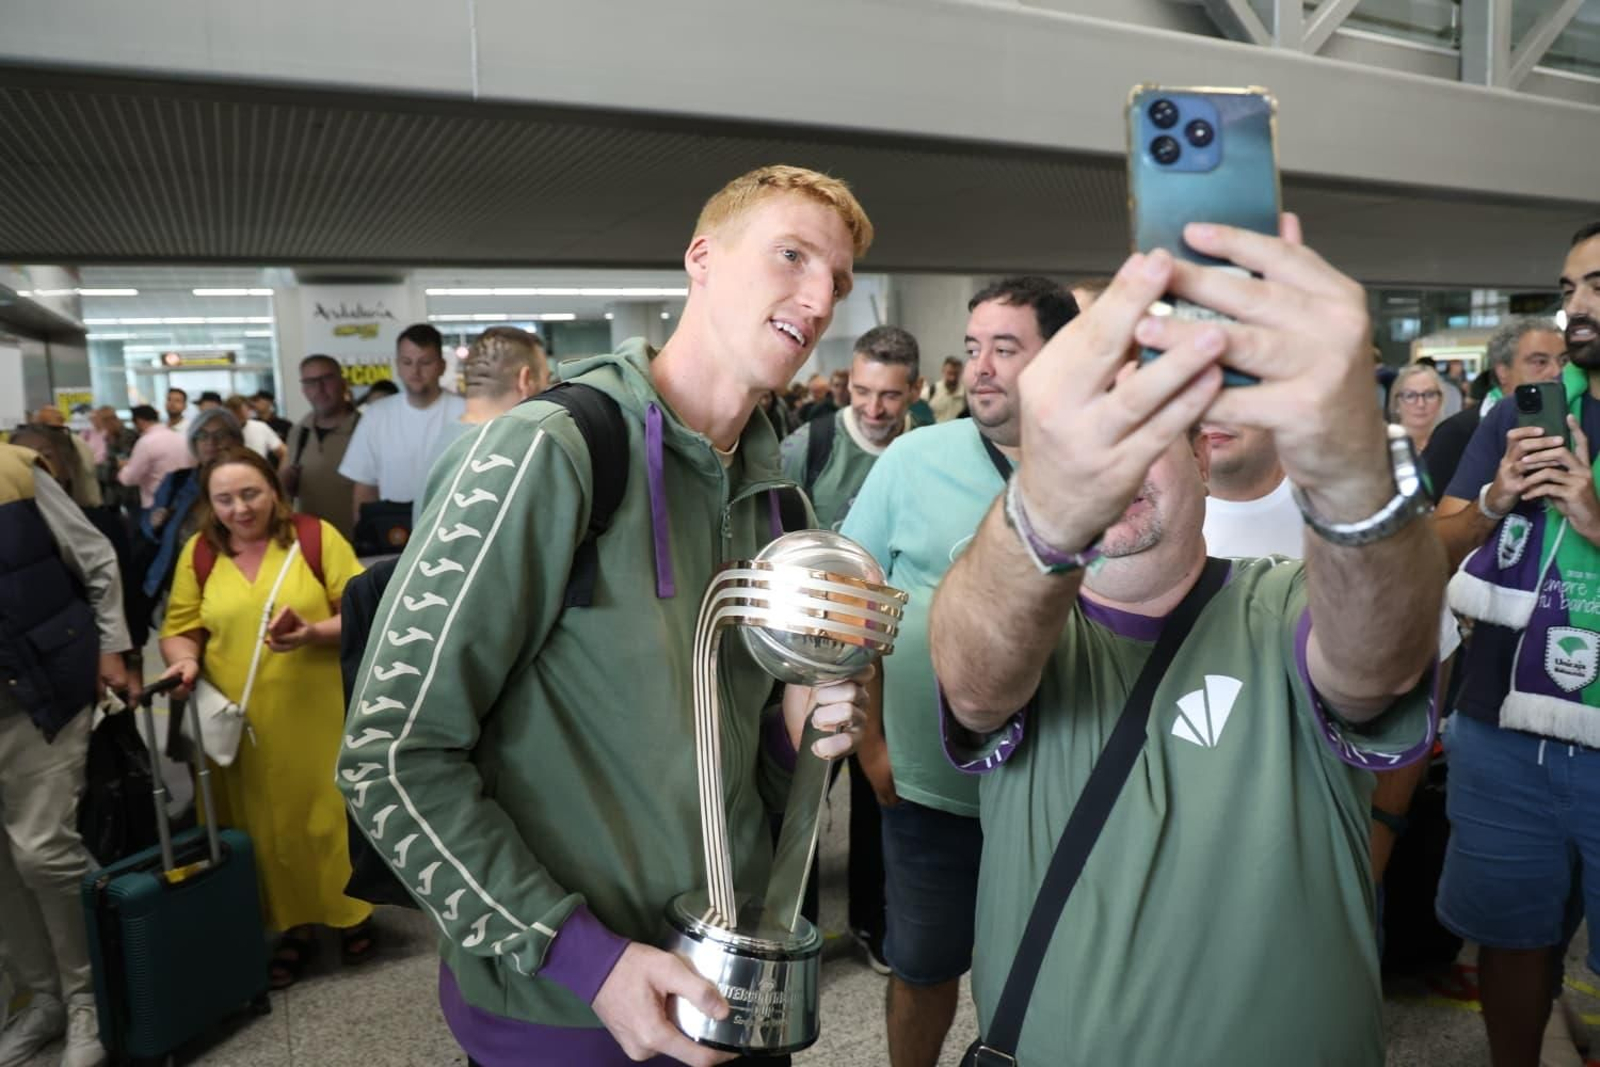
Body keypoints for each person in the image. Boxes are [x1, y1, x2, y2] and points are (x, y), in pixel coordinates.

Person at [336, 164, 876, 1067]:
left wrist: (794, 737)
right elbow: (390, 757)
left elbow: (741, 777)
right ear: (702, 258)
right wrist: (583, 958)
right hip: (563, 1017)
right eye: (792, 256)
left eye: (840, 281)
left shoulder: (780, 508)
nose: (820, 300)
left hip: (729, 997)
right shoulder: (551, 451)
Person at [930, 224, 1443, 1064]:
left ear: (1204, 456)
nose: (1120, 465)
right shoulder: (1017, 597)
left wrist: (1350, 469)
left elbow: (1374, 661)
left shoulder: (1283, 603)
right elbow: (977, 681)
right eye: (1100, 433)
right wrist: (1049, 504)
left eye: (1148, 429)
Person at [840, 276, 1076, 1067]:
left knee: (1053, 972)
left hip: (1064, 788)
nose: (980, 366)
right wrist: (872, 745)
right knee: (923, 967)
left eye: (1005, 348)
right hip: (931, 791)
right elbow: (853, 601)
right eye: (974, 347)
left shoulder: (1102, 466)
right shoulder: (914, 459)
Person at [1433, 221, 1600, 1067]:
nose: (1577, 308)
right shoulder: (1517, 413)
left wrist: (1594, 520)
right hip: (1499, 728)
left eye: (1597, 286)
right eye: (1569, 289)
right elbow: (1440, 544)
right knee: (1509, 937)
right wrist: (1496, 498)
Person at [155, 447, 371, 991]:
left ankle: (352, 912)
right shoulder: (200, 553)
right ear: (209, 504)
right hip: (239, 724)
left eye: (250, 494)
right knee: (264, 826)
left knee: (327, 815)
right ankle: (292, 926)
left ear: (274, 489)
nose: (240, 509)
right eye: (224, 499)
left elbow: (361, 610)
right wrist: (183, 661)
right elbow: (180, 627)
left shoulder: (314, 538)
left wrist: (313, 633)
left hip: (316, 712)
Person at [0, 442, 132, 1067]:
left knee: (42, 851)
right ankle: (42, 997)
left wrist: (113, 645)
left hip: (38, 693)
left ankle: (90, 998)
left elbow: (95, 556)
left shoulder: (13, 471)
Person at [780, 325, 921, 530]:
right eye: (862, 391)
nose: (873, 410)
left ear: (916, 390)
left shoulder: (931, 448)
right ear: (849, 383)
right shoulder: (803, 449)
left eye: (890, 396)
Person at [337, 323, 467, 532]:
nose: (415, 371)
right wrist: (365, 537)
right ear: (397, 365)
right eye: (407, 362)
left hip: (453, 527)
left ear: (442, 366)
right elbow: (365, 486)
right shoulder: (376, 415)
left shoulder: (466, 412)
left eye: (425, 362)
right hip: (392, 532)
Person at [1423, 318, 1565, 495]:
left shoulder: (1571, 422)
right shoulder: (1457, 432)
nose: (1557, 372)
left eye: (1564, 361)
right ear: (1503, 371)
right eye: (1540, 362)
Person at [139, 409, 245, 610]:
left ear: (237, 440)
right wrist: (154, 522)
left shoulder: (250, 480)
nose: (211, 442)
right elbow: (148, 526)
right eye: (202, 435)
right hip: (176, 586)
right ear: (194, 443)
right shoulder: (177, 481)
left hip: (232, 587)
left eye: (220, 435)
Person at [280, 355, 361, 543]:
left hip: (360, 544)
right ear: (303, 389)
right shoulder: (298, 432)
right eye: (310, 382)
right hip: (313, 545)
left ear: (343, 383)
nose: (319, 388)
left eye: (326, 379)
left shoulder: (367, 429)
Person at [116, 404, 193, 518]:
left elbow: (130, 478)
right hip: (184, 501)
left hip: (156, 505)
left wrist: (123, 468)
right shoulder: (181, 438)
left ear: (139, 421)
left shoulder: (146, 442)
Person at [1390, 362, 1447, 454]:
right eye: (1410, 396)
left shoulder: (1451, 445)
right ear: (1397, 403)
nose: (1421, 404)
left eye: (1429, 395)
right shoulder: (1381, 448)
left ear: (1440, 401)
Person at [224, 394, 285, 465]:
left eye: (243, 411)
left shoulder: (260, 427)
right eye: (236, 412)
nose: (240, 415)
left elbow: (284, 453)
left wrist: (281, 471)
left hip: (258, 469)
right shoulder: (223, 430)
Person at [927, 356, 967, 423]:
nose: (952, 378)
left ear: (961, 373)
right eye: (949, 373)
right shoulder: (931, 391)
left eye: (956, 374)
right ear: (943, 371)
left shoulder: (967, 395)